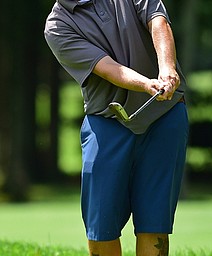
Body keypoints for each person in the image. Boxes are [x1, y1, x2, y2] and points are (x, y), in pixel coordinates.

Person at [44, 0, 188, 255]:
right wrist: (146, 84)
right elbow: (108, 67)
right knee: (100, 228)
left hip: (163, 117)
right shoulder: (57, 27)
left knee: (155, 225)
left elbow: (158, 21)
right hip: (106, 122)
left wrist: (167, 68)